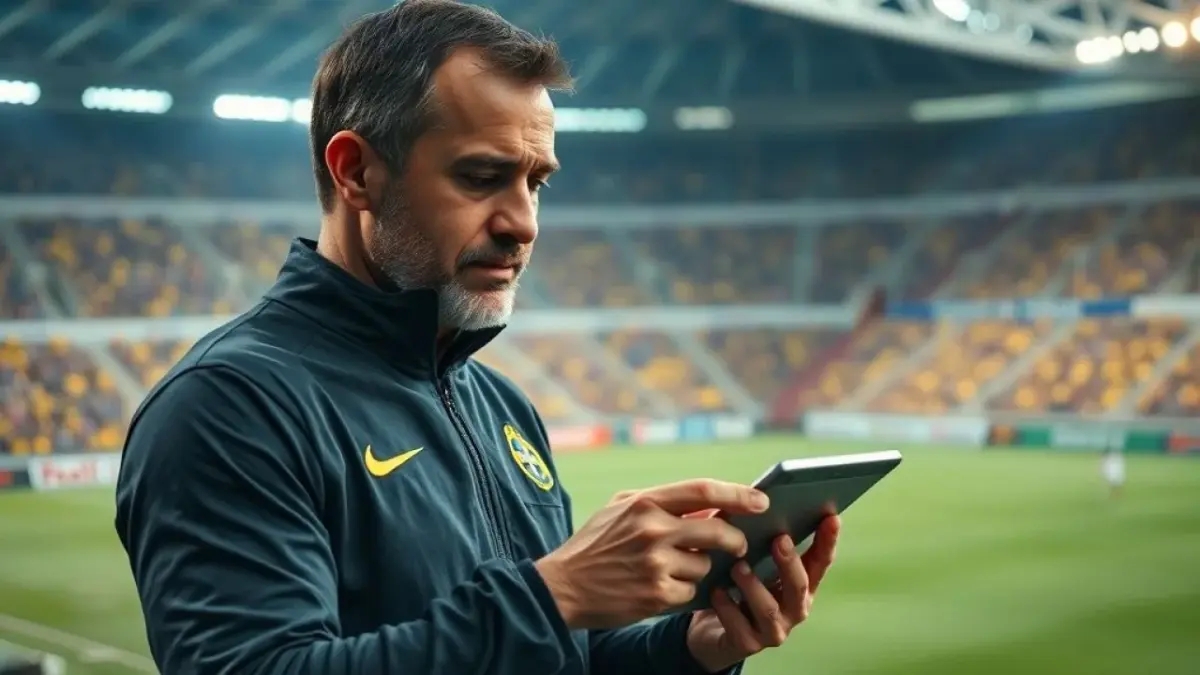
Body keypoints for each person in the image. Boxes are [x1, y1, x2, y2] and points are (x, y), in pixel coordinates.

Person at [114, 1, 841, 673]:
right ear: (356, 171)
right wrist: (551, 595)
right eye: (483, 176)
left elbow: (552, 657)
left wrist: (689, 647)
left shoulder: (500, 403)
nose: (523, 222)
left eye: (537, 183)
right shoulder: (227, 406)